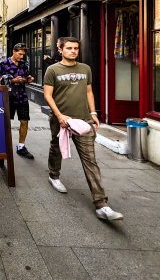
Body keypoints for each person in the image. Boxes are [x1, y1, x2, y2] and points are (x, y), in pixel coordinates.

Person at [43, 37, 123, 221]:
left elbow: (89, 92)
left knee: (90, 161)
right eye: (69, 48)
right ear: (61, 50)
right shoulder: (52, 70)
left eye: (76, 48)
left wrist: (93, 113)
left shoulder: (85, 68)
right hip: (61, 120)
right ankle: (54, 175)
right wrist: (59, 116)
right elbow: (48, 95)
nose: (73, 51)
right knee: (56, 149)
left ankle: (102, 205)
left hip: (83, 121)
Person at [0, 43, 34, 159]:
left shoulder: (24, 64)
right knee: (7, 123)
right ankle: (4, 147)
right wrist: (12, 80)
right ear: (13, 51)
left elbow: (27, 76)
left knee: (24, 121)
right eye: (20, 54)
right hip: (8, 97)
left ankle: (21, 147)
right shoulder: (4, 63)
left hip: (22, 97)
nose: (22, 57)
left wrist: (29, 79)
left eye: (23, 54)